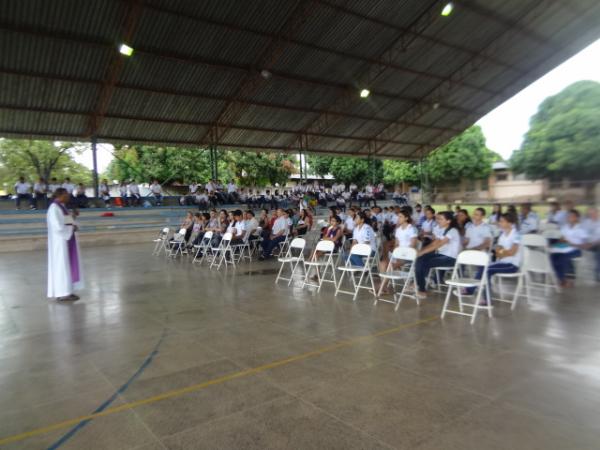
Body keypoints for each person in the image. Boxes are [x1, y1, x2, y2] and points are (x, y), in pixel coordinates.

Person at [465, 212, 522, 299]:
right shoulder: (503, 234)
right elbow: (497, 252)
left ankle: (485, 298)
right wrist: (502, 252)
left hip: (512, 265)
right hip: (502, 262)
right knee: (483, 267)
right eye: (499, 221)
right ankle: (470, 290)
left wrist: (501, 252)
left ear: (510, 223)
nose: (499, 223)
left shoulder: (516, 235)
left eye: (502, 221)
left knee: (487, 271)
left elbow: (512, 252)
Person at [47, 188, 83, 301]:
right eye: (67, 194)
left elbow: (67, 222)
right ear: (61, 195)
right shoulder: (54, 208)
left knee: (67, 265)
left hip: (67, 240)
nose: (68, 196)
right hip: (60, 242)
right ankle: (62, 292)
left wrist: (74, 217)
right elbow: (58, 226)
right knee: (61, 266)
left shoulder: (62, 207)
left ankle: (68, 290)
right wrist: (72, 227)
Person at [414, 211, 461, 299]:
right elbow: (434, 243)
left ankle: (421, 289)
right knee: (419, 260)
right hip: (441, 255)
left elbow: (439, 245)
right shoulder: (442, 229)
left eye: (441, 219)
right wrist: (421, 251)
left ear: (448, 221)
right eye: (438, 218)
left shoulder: (452, 231)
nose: (438, 220)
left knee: (423, 262)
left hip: (451, 259)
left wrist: (421, 252)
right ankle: (419, 284)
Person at [550, 209, 588, 287]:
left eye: (571, 216)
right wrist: (560, 241)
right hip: (564, 248)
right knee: (552, 256)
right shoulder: (565, 227)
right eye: (568, 216)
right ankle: (561, 279)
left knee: (562, 258)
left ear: (577, 218)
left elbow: (585, 244)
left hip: (576, 249)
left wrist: (573, 244)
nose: (569, 218)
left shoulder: (581, 228)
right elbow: (561, 238)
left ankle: (563, 280)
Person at [582, 207, 600, 282]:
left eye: (594, 213)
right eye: (590, 214)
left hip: (596, 243)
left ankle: (598, 273)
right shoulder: (586, 222)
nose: (592, 215)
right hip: (587, 244)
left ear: (598, 213)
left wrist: (592, 243)